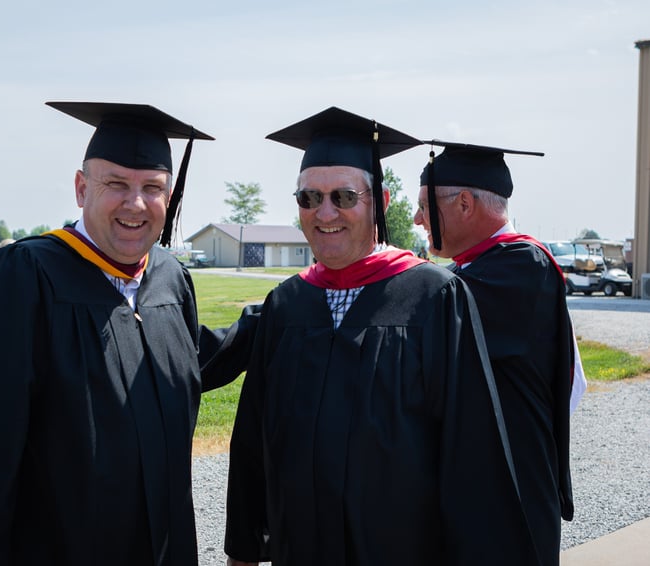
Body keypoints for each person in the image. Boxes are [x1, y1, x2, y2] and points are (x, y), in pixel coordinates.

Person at [0, 101, 255, 565]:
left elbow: (180, 359)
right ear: (81, 187)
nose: (136, 203)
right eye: (116, 184)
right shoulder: (25, 277)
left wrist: (281, 314)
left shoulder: (168, 277)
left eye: (152, 187)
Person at [224, 107, 539, 565]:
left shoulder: (433, 297)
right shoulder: (287, 304)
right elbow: (253, 440)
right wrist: (244, 551)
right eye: (309, 197)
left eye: (344, 196)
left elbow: (472, 454)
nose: (324, 212)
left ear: (380, 202)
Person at [414, 141, 580, 565]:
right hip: (481, 495)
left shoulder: (522, 267)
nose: (417, 220)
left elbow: (428, 309)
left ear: (465, 204)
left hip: (512, 503)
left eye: (424, 207)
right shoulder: (474, 270)